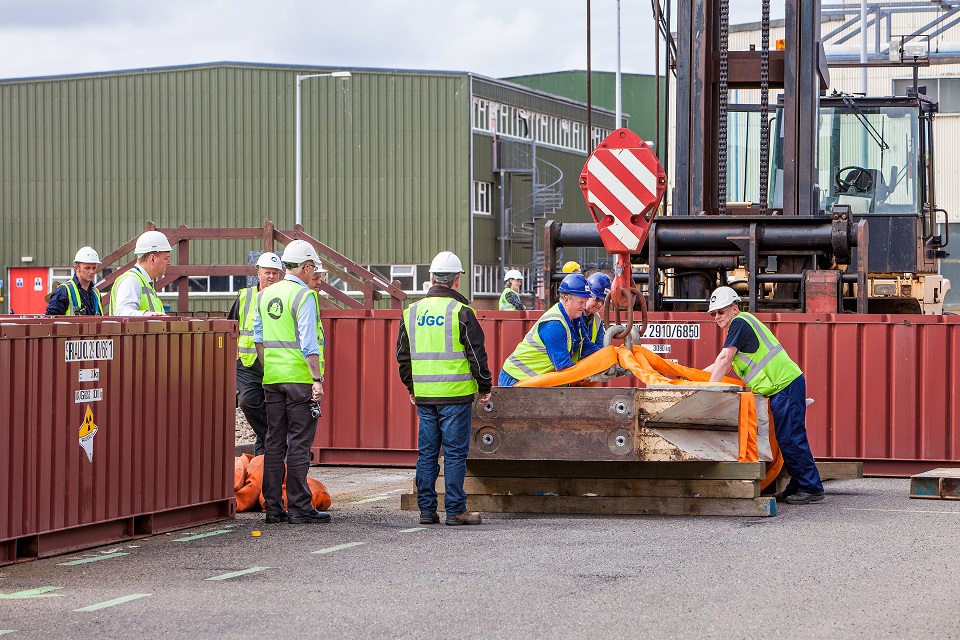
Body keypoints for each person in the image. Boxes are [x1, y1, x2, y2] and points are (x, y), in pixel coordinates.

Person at [396, 251, 492, 527]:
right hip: (456, 395)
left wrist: (411, 388)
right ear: (457, 280)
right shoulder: (462, 312)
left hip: (425, 396)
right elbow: (477, 354)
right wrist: (484, 385)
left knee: (427, 453)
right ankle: (455, 511)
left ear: (432, 278)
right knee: (453, 454)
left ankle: (427, 511)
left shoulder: (411, 312)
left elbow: (403, 356)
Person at [704, 286, 824, 505]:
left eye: (721, 311)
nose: (717, 317)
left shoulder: (739, 323)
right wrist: (693, 377)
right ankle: (799, 484)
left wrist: (708, 392)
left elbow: (723, 359)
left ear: (734, 308)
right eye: (713, 313)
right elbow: (721, 363)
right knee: (787, 438)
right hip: (783, 387)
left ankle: (810, 487)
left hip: (784, 385)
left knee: (791, 438)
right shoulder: (741, 328)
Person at [254, 240, 329, 524]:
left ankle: (273, 507)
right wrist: (316, 379)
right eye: (314, 269)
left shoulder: (264, 295)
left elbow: (259, 340)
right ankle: (299, 506)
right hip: (300, 379)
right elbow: (309, 343)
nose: (315, 274)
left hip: (272, 378)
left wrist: (271, 368)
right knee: (299, 442)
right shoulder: (304, 297)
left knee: (274, 442)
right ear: (307, 267)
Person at [227, 252, 283, 456]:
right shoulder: (245, 296)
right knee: (247, 402)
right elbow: (231, 328)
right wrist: (233, 361)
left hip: (274, 364)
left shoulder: (284, 297)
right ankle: (276, 439)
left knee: (272, 409)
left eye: (275, 273)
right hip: (248, 364)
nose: (271, 276)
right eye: (267, 272)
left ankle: (264, 458)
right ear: (258, 273)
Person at [499, 273, 596, 386]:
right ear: (566, 300)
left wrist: (609, 357)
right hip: (517, 379)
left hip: (531, 380)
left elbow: (587, 347)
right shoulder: (554, 325)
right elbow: (563, 366)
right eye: (581, 303)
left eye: (585, 302)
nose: (584, 307)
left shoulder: (575, 319)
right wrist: (592, 373)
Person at [109, 230, 171, 316]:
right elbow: (122, 312)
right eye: (166, 258)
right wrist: (146, 315)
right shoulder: (131, 280)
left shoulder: (143, 281)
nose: (169, 262)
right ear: (152, 259)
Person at [45, 247, 104, 316]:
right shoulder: (63, 291)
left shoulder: (96, 293)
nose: (91, 271)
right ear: (76, 268)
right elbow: (50, 320)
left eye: (94, 268)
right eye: (87, 268)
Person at [576, 272, 611, 359]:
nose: (600, 304)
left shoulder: (597, 319)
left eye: (603, 301)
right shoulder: (574, 315)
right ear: (587, 294)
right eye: (597, 299)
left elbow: (600, 346)